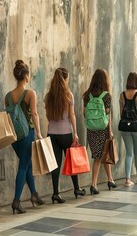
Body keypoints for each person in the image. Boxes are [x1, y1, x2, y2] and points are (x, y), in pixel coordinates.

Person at [5, 60, 45, 214]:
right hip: (27, 133)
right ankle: (16, 201)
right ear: (26, 76)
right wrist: (39, 133)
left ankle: (34, 194)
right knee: (23, 166)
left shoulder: (8, 96)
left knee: (26, 163)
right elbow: (34, 114)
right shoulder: (30, 94)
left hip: (14, 137)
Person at [44, 68, 86, 203]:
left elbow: (47, 116)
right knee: (71, 160)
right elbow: (72, 115)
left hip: (52, 133)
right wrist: (76, 133)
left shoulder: (48, 96)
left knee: (55, 164)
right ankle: (77, 188)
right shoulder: (68, 95)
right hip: (65, 133)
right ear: (65, 79)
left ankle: (56, 193)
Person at [83, 69, 116, 194]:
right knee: (103, 155)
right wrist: (110, 131)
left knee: (99, 155)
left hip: (91, 130)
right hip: (103, 129)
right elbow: (108, 115)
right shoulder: (106, 95)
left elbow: (84, 113)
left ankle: (110, 179)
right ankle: (94, 184)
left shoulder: (87, 95)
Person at [119, 72, 137, 186]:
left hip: (124, 126)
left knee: (129, 153)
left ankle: (127, 179)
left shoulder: (122, 95)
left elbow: (121, 112)